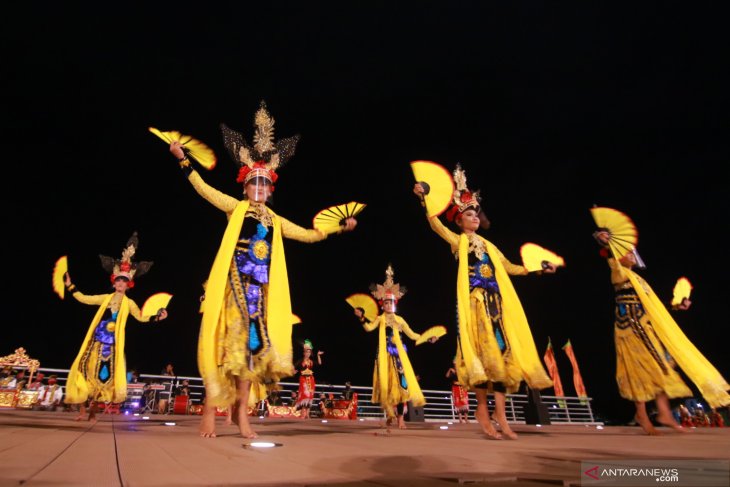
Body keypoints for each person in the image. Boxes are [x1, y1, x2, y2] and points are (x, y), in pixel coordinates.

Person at [169, 101, 357, 438]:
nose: (259, 189)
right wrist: (183, 160)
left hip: (260, 292)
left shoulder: (274, 219)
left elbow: (309, 234)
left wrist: (339, 227)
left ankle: (243, 414)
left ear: (271, 190)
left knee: (251, 354)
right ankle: (211, 413)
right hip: (235, 286)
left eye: (264, 185)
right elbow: (203, 190)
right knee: (227, 347)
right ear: (244, 187)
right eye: (254, 184)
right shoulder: (235, 208)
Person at [414, 165, 555, 440]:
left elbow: (511, 267)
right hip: (476, 305)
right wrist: (424, 199)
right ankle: (481, 409)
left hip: (496, 307)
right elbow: (435, 224)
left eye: (475, 213)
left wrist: (536, 268)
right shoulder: (458, 242)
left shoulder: (490, 246)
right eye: (468, 214)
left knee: (501, 357)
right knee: (481, 356)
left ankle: (500, 415)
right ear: (460, 221)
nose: (474, 218)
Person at [594, 230, 730, 434]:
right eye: (627, 252)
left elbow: (654, 306)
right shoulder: (619, 272)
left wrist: (676, 306)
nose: (632, 255)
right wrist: (605, 243)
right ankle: (641, 412)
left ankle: (663, 413)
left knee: (664, 366)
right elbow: (611, 257)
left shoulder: (639, 280)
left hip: (646, 329)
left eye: (633, 253)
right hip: (630, 329)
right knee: (639, 369)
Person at [63, 232, 169, 421]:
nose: (121, 283)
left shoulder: (129, 303)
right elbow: (83, 298)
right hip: (95, 342)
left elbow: (141, 317)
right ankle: (81, 409)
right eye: (119, 280)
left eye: (124, 281)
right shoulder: (105, 298)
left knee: (104, 377)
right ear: (114, 282)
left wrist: (158, 317)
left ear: (129, 285)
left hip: (111, 346)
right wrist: (71, 286)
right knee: (84, 370)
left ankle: (94, 410)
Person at [356, 265, 438, 430]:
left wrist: (428, 338)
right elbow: (368, 328)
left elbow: (413, 335)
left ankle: (400, 419)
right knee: (386, 386)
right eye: (386, 302)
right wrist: (362, 318)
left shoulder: (400, 320)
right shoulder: (380, 319)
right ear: (382, 304)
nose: (388, 305)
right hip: (384, 356)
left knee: (402, 387)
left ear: (395, 304)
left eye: (391, 302)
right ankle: (390, 415)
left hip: (399, 357)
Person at [294, 339, 323, 419]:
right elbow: (294, 368)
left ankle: (307, 413)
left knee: (310, 395)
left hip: (311, 380)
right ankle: (303, 413)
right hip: (303, 379)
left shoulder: (311, 361)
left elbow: (320, 364)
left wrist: (318, 355)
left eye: (309, 352)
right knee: (304, 395)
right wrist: (294, 371)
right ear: (304, 353)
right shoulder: (300, 361)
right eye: (306, 352)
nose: (308, 354)